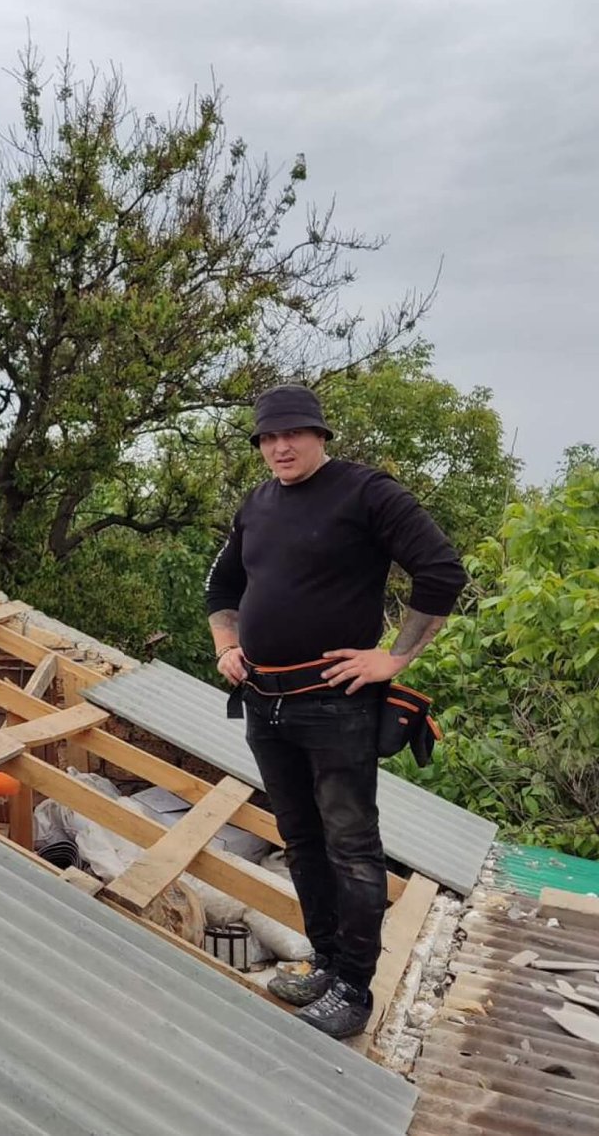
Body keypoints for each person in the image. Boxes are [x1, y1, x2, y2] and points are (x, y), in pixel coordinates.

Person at [204, 384, 466, 1040]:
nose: (280, 447)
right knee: (300, 838)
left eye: (292, 433)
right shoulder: (257, 504)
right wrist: (227, 645)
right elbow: (222, 584)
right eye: (268, 437)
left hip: (335, 704)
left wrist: (394, 658)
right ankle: (325, 962)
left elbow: (441, 571)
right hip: (265, 701)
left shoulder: (366, 493)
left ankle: (353, 987)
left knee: (351, 845)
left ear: (321, 435)